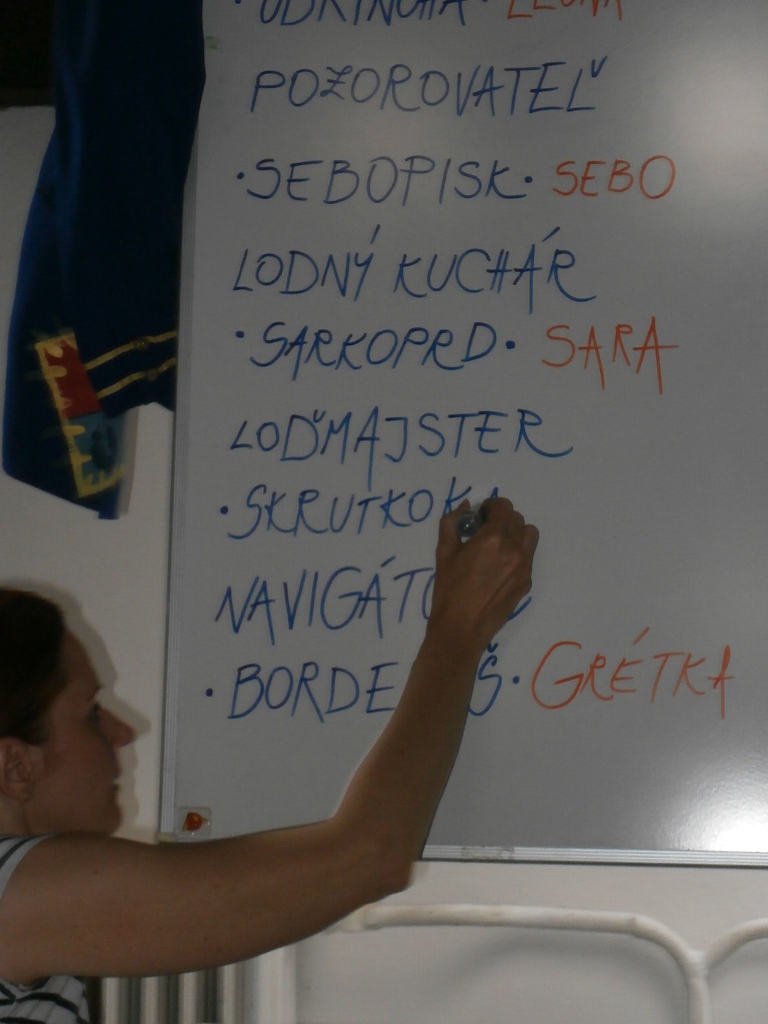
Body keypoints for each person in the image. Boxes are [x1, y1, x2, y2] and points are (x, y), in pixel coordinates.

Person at [0, 498, 538, 1020]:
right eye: (91, 714)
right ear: (15, 767)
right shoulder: (15, 899)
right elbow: (369, 856)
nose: (123, 733)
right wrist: (457, 628)